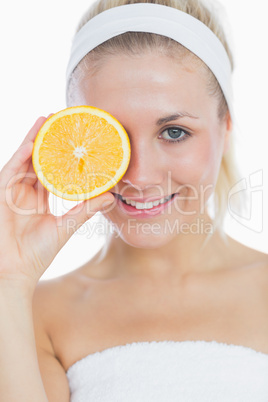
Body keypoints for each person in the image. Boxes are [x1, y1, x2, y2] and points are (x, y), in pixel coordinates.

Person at [1, 0, 268, 400]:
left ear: (225, 126)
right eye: (113, 136)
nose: (139, 176)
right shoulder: (31, 313)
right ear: (77, 135)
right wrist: (9, 280)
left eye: (174, 132)